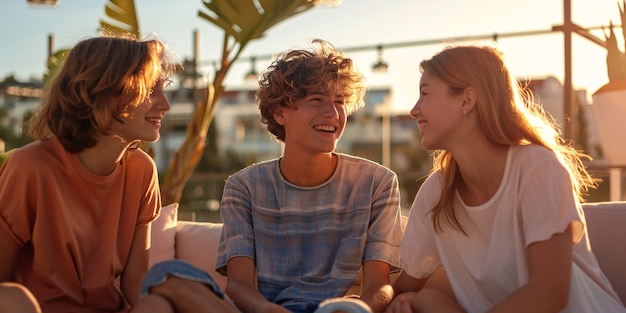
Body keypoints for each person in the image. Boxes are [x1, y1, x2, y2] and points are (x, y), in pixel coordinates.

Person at [137, 39, 404, 313]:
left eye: (340, 102)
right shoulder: (244, 187)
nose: (334, 113)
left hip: (339, 311)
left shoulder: (377, 182)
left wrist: (357, 309)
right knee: (167, 275)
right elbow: (239, 286)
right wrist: (268, 311)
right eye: (317, 100)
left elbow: (379, 286)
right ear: (279, 112)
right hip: (269, 311)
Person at [383, 45, 626, 313]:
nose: (414, 110)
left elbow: (549, 293)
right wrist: (368, 303)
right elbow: (408, 286)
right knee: (422, 301)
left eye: (425, 94)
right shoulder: (436, 192)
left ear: (466, 100)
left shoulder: (536, 168)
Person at [0, 35, 178, 313]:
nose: (165, 104)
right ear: (104, 92)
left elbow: (136, 282)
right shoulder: (29, 167)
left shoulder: (142, 170)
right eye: (149, 90)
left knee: (158, 304)